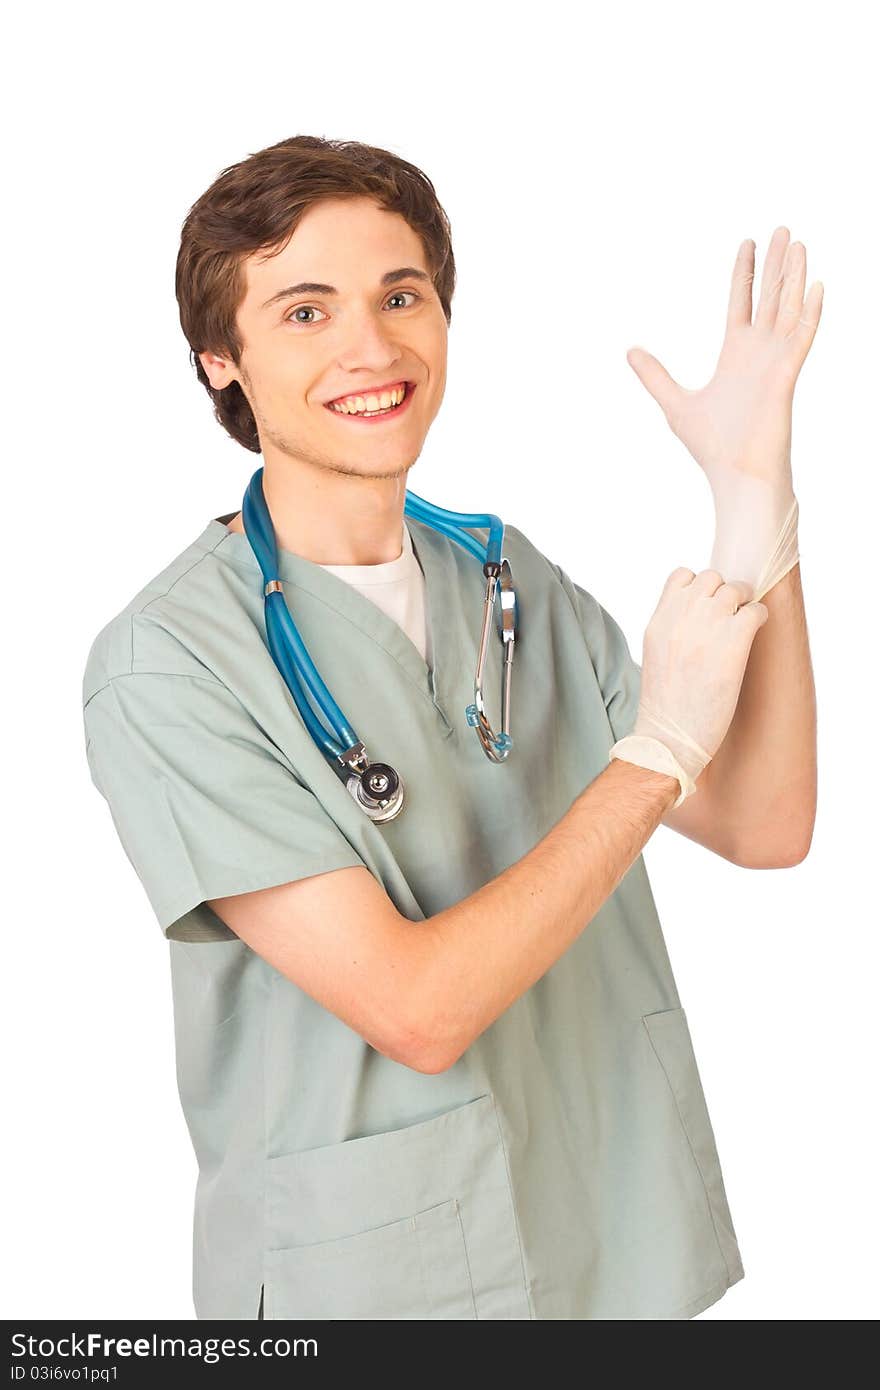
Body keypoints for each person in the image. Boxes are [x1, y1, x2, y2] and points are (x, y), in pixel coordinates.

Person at [81, 136, 819, 1320]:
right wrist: (654, 756)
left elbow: (765, 820)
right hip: (373, 1281)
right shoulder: (169, 663)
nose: (372, 348)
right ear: (222, 361)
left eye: (401, 294)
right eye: (306, 311)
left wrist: (755, 504)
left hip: (601, 1230)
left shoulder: (502, 578)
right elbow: (415, 1010)